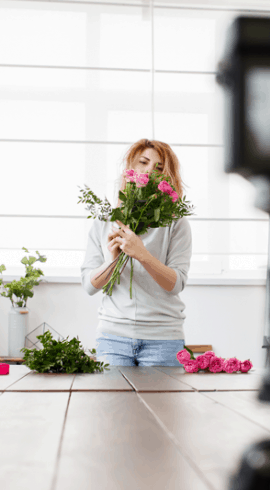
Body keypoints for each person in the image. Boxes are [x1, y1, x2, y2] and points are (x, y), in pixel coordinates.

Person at [80, 139, 192, 366]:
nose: (150, 170)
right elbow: (89, 285)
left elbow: (176, 283)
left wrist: (142, 254)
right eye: (144, 162)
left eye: (159, 168)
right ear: (130, 167)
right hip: (113, 337)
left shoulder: (176, 223)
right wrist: (113, 261)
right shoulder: (104, 221)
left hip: (163, 338)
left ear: (166, 178)